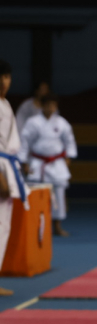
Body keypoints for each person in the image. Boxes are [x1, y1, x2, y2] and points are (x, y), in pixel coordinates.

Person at [17, 94, 77, 237]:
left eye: (54, 105)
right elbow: (25, 142)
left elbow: (69, 141)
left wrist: (68, 157)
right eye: (48, 104)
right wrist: (24, 162)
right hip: (38, 163)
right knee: (36, 196)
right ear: (42, 106)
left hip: (56, 164)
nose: (51, 107)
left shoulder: (62, 123)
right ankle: (34, 225)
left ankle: (57, 226)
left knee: (59, 196)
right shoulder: (33, 122)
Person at [0, 59, 23, 297]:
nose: (4, 82)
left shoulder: (5, 104)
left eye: (7, 77)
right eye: (1, 77)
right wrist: (1, 178)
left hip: (7, 163)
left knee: (3, 226)